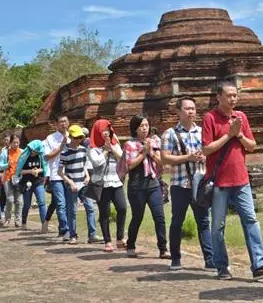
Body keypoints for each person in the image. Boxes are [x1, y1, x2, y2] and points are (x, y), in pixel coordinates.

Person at [202, 81, 263, 280]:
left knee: (251, 220)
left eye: (235, 95)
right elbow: (206, 149)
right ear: (218, 97)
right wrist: (229, 135)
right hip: (219, 182)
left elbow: (252, 146)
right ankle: (222, 266)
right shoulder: (210, 118)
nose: (233, 99)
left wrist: (239, 135)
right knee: (218, 226)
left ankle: (259, 264)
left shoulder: (241, 117)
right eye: (229, 95)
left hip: (241, 179)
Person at [161, 96, 214, 270]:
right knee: (177, 221)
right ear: (178, 111)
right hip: (180, 184)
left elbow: (210, 151)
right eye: (187, 108)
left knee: (204, 221)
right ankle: (175, 258)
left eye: (193, 108)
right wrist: (188, 157)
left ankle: (210, 259)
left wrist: (204, 156)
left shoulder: (202, 132)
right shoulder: (170, 133)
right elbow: (165, 158)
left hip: (200, 183)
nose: (191, 112)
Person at [123, 114, 169, 259]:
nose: (144, 128)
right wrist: (143, 153)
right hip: (136, 185)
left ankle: (163, 248)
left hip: (153, 183)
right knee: (137, 217)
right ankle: (130, 244)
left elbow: (162, 163)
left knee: (159, 216)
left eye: (146, 125)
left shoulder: (155, 141)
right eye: (141, 126)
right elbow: (129, 165)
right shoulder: (130, 145)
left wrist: (151, 152)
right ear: (135, 128)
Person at [87, 119, 127, 252]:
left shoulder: (115, 144)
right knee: (105, 213)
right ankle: (107, 240)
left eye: (108, 130)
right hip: (101, 183)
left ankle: (120, 238)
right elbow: (96, 162)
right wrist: (105, 150)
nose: (106, 132)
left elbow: (122, 158)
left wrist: (112, 147)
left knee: (122, 208)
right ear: (98, 132)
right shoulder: (93, 147)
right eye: (103, 130)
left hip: (116, 181)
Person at [59, 124, 100, 244]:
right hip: (72, 184)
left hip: (83, 183)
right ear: (70, 137)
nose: (78, 140)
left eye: (80, 137)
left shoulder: (83, 150)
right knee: (72, 211)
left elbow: (84, 166)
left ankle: (92, 235)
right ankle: (73, 235)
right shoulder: (65, 152)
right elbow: (60, 172)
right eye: (76, 138)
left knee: (90, 208)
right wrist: (71, 183)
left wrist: (87, 176)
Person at [42, 115, 70, 237]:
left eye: (65, 121)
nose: (63, 124)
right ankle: (65, 229)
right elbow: (47, 156)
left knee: (69, 204)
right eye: (61, 122)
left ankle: (62, 228)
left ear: (68, 123)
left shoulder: (72, 135)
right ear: (57, 124)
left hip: (70, 175)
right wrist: (62, 145)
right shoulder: (50, 138)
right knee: (60, 203)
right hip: (56, 175)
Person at [14, 140, 48, 230]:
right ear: (30, 149)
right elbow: (19, 171)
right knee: (27, 204)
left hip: (38, 181)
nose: (36, 153)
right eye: (34, 151)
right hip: (26, 183)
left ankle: (44, 224)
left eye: (38, 152)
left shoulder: (40, 156)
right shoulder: (24, 157)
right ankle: (24, 223)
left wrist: (38, 171)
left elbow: (44, 167)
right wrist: (30, 171)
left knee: (42, 202)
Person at [0, 134, 23, 227]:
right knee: (9, 200)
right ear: (10, 143)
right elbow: (0, 165)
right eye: (14, 142)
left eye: (17, 142)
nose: (16, 144)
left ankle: (18, 220)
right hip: (8, 178)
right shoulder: (5, 152)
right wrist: (7, 164)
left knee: (19, 201)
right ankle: (7, 219)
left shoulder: (22, 152)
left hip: (19, 179)